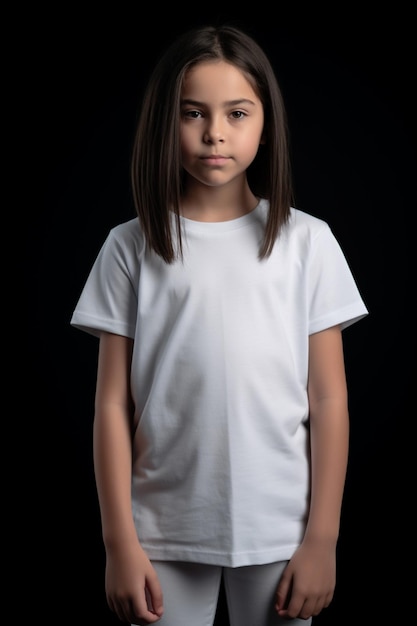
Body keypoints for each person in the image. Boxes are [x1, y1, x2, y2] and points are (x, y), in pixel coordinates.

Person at [70, 24, 369, 626]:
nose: (215, 133)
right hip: (161, 530)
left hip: (282, 527)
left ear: (266, 123)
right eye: (193, 113)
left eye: (237, 113)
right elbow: (110, 405)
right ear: (166, 121)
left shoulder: (306, 241)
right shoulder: (130, 247)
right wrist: (118, 543)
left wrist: (323, 539)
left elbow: (330, 397)